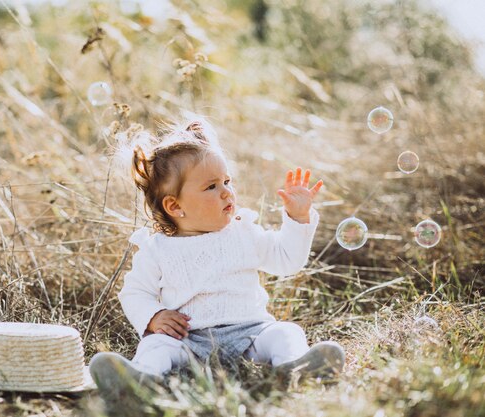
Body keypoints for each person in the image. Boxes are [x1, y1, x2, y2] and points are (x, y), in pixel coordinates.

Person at [89, 117, 345, 402]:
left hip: (251, 333)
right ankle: (140, 380)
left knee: (286, 332)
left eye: (227, 181)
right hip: (187, 340)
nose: (226, 191)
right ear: (175, 206)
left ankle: (295, 366)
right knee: (156, 346)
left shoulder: (244, 232)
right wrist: (154, 317)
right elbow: (136, 292)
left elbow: (286, 260)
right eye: (211, 187)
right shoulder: (157, 249)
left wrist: (297, 219)